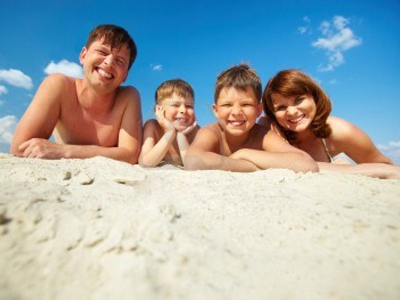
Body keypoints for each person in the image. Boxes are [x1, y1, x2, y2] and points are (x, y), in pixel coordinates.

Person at [10, 24, 142, 164]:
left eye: (119, 61)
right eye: (103, 52)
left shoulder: (128, 97)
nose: (109, 63)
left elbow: (130, 155)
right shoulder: (59, 86)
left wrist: (63, 151)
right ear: (83, 55)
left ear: (125, 75)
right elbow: (20, 149)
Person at [260, 69, 400, 179]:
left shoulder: (341, 131)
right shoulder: (269, 130)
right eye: (281, 107)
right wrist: (341, 169)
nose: (291, 112)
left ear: (315, 98)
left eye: (299, 100)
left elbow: (388, 169)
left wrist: (343, 169)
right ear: (272, 113)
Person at [185, 64, 318, 173]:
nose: (236, 112)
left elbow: (307, 164)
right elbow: (193, 161)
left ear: (258, 110)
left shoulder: (263, 135)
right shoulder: (211, 132)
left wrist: (245, 153)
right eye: (227, 105)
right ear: (216, 110)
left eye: (246, 104)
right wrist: (250, 166)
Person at [139, 79, 199, 167]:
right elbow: (145, 163)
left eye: (189, 106)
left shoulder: (196, 131)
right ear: (158, 110)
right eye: (175, 105)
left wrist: (181, 137)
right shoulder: (152, 126)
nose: (183, 110)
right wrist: (170, 132)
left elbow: (192, 166)